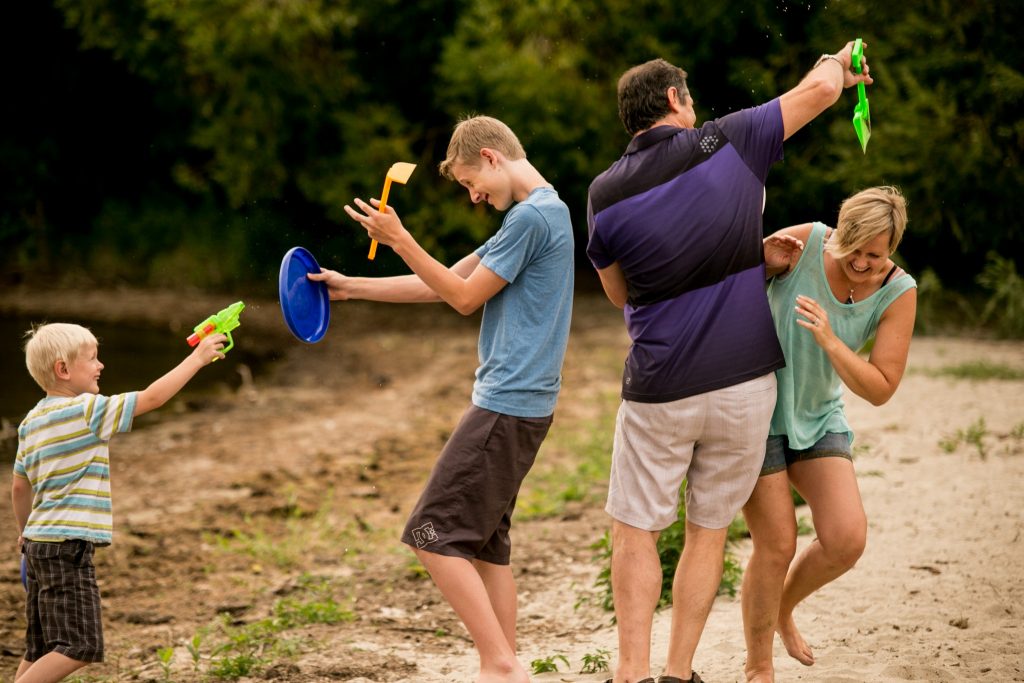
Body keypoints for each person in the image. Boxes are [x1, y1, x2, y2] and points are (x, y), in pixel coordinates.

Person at [586, 42, 873, 683]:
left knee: (634, 532)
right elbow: (824, 91)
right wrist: (836, 60)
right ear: (674, 100)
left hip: (661, 386)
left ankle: (630, 673)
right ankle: (678, 672)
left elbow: (618, 293)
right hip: (745, 384)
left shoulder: (603, 192)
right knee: (707, 531)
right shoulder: (730, 139)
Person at [309, 115, 574, 683]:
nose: (474, 195)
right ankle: (503, 663)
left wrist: (401, 239)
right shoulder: (543, 211)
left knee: (430, 533)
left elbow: (461, 298)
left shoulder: (531, 218)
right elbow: (447, 278)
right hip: (524, 405)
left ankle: (500, 665)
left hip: (506, 405)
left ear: (491, 157)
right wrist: (350, 286)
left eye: (469, 183)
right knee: (485, 546)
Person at [742, 186, 917, 677]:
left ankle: (780, 609)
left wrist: (831, 340)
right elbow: (724, 281)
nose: (861, 263)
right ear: (838, 232)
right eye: (852, 249)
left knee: (846, 539)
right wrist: (759, 262)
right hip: (758, 413)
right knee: (776, 545)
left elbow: (881, 388)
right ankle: (759, 667)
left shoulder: (899, 292)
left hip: (818, 416)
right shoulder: (805, 243)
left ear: (894, 246)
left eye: (875, 255)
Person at [12, 323, 227, 683]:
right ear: (63, 370)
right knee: (79, 646)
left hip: (37, 546)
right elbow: (152, 398)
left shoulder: (30, 422)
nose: (101, 365)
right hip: (67, 549)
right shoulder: (86, 410)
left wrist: (24, 534)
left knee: (40, 647)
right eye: (93, 358)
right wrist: (197, 359)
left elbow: (19, 487)